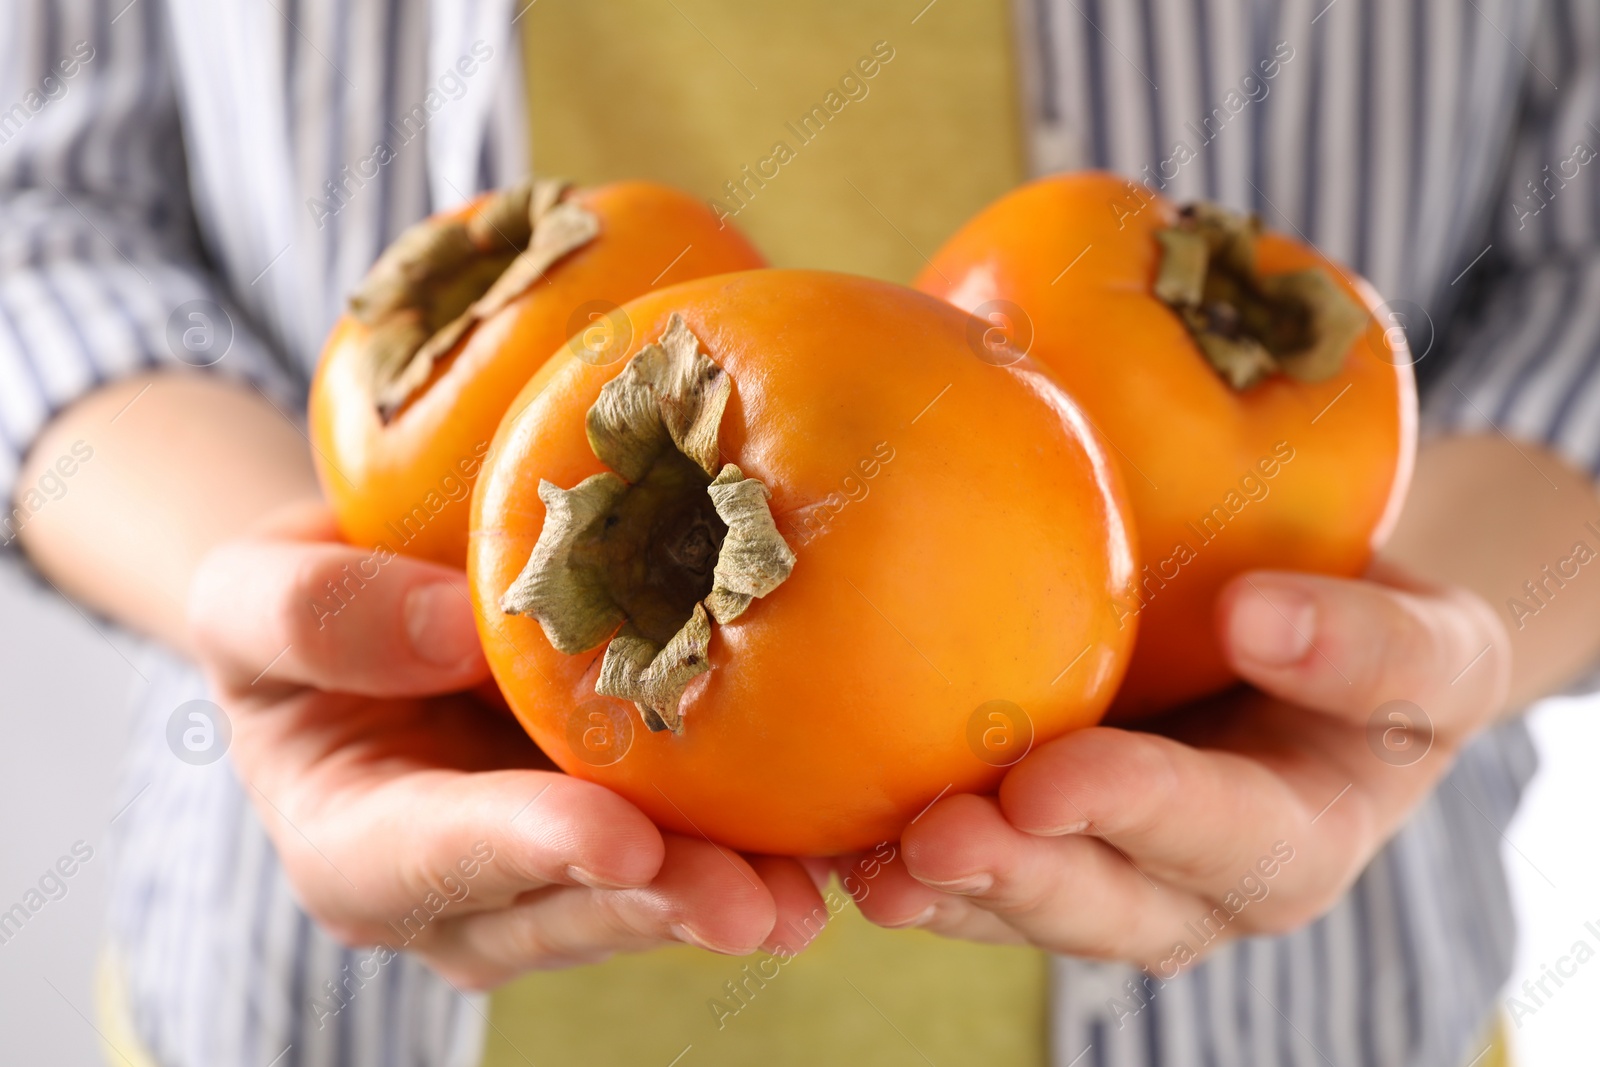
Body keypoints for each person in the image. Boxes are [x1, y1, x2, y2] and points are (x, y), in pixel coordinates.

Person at [5, 1, 1599, 1064]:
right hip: (313, 1000)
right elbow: (42, 223)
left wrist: (1423, 642)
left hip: (1313, 1010)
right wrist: (268, 594)